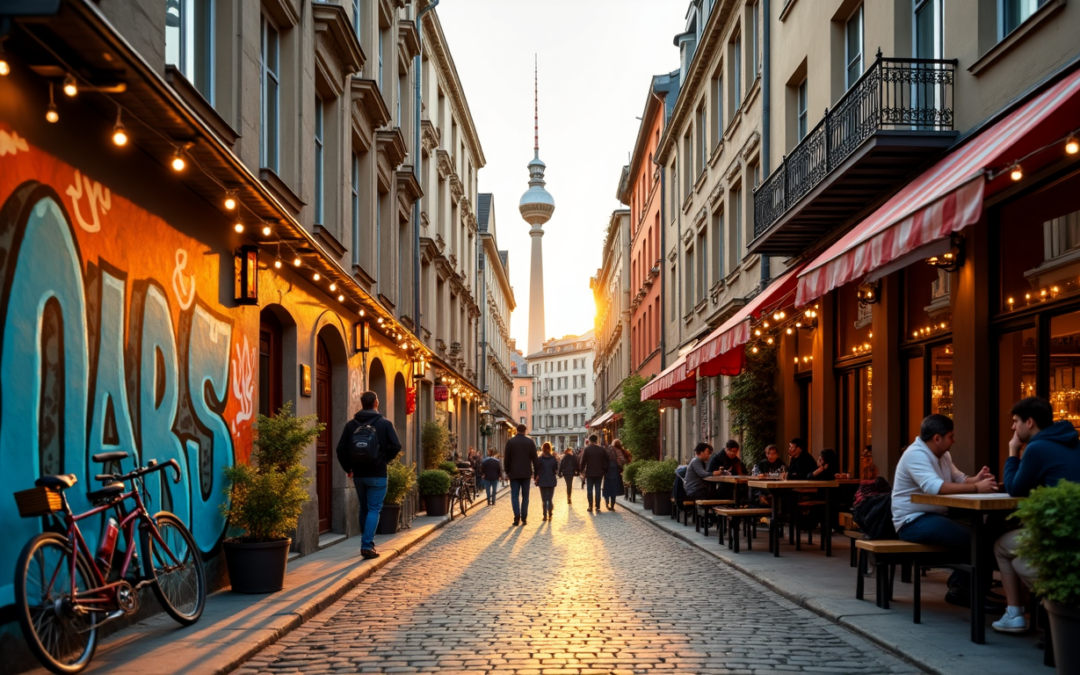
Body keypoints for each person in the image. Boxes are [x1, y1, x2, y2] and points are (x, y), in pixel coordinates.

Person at [992, 397, 1080, 634]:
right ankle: (1037, 617)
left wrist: (1012, 452)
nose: (1013, 428)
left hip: (1056, 535)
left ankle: (1016, 614)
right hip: (1071, 533)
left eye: (1015, 422)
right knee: (1019, 558)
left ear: (1029, 422)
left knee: (1002, 546)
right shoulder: (1073, 443)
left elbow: (1015, 488)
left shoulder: (1037, 447)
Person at [892, 414, 997, 546]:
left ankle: (973, 565)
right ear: (937, 438)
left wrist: (977, 479)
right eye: (950, 437)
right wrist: (977, 488)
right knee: (975, 537)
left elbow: (960, 479)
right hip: (912, 521)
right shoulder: (915, 454)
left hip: (938, 515)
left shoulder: (944, 455)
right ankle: (971, 565)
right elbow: (934, 487)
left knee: (987, 531)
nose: (954, 441)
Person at [334, 391, 402, 560]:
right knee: (374, 510)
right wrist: (384, 460)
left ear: (361, 403)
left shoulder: (351, 425)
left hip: (358, 475)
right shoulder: (384, 423)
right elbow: (396, 445)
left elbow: (340, 449)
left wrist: (348, 468)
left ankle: (366, 542)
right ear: (376, 403)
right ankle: (366, 545)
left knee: (364, 508)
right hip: (378, 474)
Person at [504, 424, 539, 526]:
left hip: (514, 474)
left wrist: (507, 472)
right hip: (526, 473)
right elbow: (535, 459)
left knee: (514, 496)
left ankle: (517, 516)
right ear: (525, 431)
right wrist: (536, 473)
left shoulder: (510, 442)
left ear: (516, 430)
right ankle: (524, 517)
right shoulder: (530, 442)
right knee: (525, 496)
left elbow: (507, 459)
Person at [579, 434, 610, 512]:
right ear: (597, 440)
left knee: (589, 490)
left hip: (589, 473)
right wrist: (605, 469)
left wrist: (582, 471)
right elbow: (608, 459)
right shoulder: (602, 449)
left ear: (590, 440)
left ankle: (590, 506)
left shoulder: (587, 449)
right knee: (598, 489)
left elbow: (583, 462)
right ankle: (598, 506)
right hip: (599, 473)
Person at [602, 439, 629, 510]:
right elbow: (622, 461)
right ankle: (612, 505)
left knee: (607, 486)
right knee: (614, 487)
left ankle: (607, 502)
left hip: (608, 470)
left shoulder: (608, 450)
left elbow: (603, 460)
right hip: (615, 471)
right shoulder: (619, 451)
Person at [536, 443, 560, 521]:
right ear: (550, 448)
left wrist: (536, 477)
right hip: (551, 480)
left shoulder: (540, 459)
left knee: (544, 499)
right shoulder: (553, 459)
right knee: (549, 498)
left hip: (542, 481)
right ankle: (550, 513)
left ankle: (544, 515)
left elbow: (536, 470)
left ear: (542, 448)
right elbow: (556, 469)